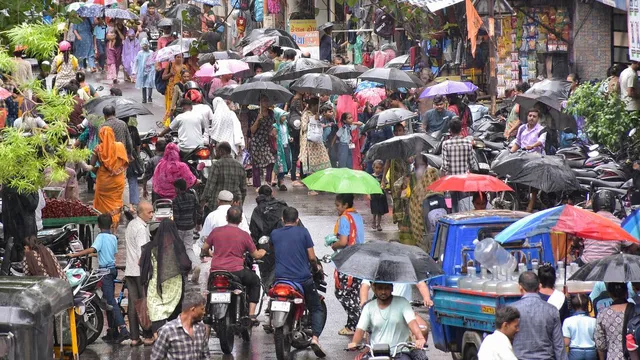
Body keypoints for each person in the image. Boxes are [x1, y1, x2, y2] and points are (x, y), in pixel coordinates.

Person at [270, 206, 327, 357]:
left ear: (282, 220)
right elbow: (312, 257)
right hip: (302, 279)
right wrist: (315, 269)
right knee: (316, 308)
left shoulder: (275, 233)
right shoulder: (303, 232)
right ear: (297, 219)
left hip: (280, 279)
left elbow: (272, 249)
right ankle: (314, 339)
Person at [68, 214, 130, 343]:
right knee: (108, 302)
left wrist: (75, 254)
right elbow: (107, 253)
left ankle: (123, 329)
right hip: (112, 270)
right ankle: (112, 332)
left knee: (111, 302)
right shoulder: (113, 237)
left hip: (105, 273)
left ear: (99, 225)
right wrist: (94, 256)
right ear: (111, 225)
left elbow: (92, 248)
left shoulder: (100, 237)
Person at [201, 206, 266, 321]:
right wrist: (264, 250)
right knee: (255, 281)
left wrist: (210, 254)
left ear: (227, 217)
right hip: (237, 272)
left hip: (216, 271)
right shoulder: (244, 235)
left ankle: (207, 327)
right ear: (241, 220)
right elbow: (256, 255)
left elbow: (204, 247)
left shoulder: (216, 231)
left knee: (210, 291)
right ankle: (251, 315)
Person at [347, 283, 427, 359]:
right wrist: (354, 343)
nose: (383, 292)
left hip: (400, 352)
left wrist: (420, 338)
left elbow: (412, 322)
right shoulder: (368, 307)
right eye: (380, 288)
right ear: (374, 289)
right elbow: (360, 330)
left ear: (391, 288)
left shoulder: (403, 303)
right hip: (375, 352)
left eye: (386, 288)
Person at [140, 219, 192, 337]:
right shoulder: (177, 246)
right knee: (174, 311)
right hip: (174, 285)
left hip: (156, 284)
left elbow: (142, 265)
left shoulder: (150, 247)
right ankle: (173, 339)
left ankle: (159, 341)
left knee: (157, 311)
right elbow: (186, 264)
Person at [511, 271, 566, 360]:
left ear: (520, 287)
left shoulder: (512, 309)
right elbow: (559, 346)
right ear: (539, 287)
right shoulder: (552, 310)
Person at [331, 193, 364, 335]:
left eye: (338, 205)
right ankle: (353, 325)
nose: (336, 208)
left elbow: (343, 242)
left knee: (342, 293)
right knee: (354, 293)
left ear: (345, 205)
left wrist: (334, 245)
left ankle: (358, 325)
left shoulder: (345, 218)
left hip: (348, 260)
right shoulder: (357, 216)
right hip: (360, 258)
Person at [578, 189, 636, 266]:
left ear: (595, 204)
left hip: (587, 263)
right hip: (610, 266)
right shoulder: (619, 223)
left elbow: (577, 241)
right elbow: (632, 247)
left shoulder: (587, 221)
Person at [86, 127, 129, 230]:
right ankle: (114, 229)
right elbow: (125, 163)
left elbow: (91, 166)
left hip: (103, 182)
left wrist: (97, 169)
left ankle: (104, 228)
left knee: (103, 207)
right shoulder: (120, 146)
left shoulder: (98, 149)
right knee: (116, 203)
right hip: (117, 181)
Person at [125, 201, 155, 346]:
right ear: (141, 212)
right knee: (143, 303)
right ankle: (148, 334)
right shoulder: (141, 229)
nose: (152, 215)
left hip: (130, 270)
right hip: (139, 272)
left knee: (133, 304)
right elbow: (141, 254)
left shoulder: (131, 225)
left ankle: (134, 337)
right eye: (149, 212)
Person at [150, 287, 210, 359]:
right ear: (193, 309)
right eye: (202, 309)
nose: (204, 312)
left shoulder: (201, 328)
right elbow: (156, 358)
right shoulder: (167, 331)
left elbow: (206, 356)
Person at [596, 282, 638, 360]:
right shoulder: (636, 310)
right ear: (626, 292)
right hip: (634, 356)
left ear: (609, 294)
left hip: (613, 357)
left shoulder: (603, 314)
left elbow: (600, 344)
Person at [201, 141, 247, 211]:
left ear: (221, 151)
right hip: (234, 205)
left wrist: (202, 203)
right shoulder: (240, 166)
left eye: (216, 151)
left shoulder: (217, 165)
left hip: (217, 205)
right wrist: (240, 203)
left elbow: (209, 186)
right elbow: (243, 189)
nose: (215, 153)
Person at [172, 179, 201, 281]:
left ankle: (181, 270)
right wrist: (196, 223)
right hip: (190, 226)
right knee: (189, 248)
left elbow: (176, 216)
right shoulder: (192, 197)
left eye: (175, 188)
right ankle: (195, 265)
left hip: (180, 228)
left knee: (179, 249)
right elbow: (197, 210)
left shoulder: (176, 200)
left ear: (178, 189)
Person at [300, 97, 331, 193]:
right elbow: (304, 127)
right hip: (309, 143)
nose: (318, 107)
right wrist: (313, 119)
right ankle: (311, 188)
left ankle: (320, 185)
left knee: (323, 162)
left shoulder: (317, 114)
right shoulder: (306, 114)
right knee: (311, 166)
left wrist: (318, 119)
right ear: (313, 105)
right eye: (317, 105)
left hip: (318, 142)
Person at [249, 95, 276, 189]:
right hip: (256, 141)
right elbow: (252, 130)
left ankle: (267, 182)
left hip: (266, 141)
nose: (265, 103)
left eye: (266, 100)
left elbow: (273, 126)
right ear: (259, 102)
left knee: (271, 160)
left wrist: (273, 132)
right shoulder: (254, 113)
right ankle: (257, 185)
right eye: (263, 101)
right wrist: (257, 120)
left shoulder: (271, 113)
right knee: (256, 164)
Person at [563, 294, 597, 360]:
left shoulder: (567, 321)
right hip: (591, 352)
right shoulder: (594, 321)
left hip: (575, 352)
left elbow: (566, 342)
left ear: (572, 306)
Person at [162, 54, 185, 124]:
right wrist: (170, 74)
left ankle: (175, 121)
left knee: (177, 106)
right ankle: (169, 122)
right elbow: (163, 77)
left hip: (179, 89)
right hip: (170, 90)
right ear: (175, 58)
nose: (179, 59)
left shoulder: (184, 67)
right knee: (170, 106)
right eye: (178, 57)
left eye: (181, 57)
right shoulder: (170, 65)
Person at [288, 92, 305, 186]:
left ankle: (299, 176)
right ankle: (295, 177)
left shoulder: (298, 101)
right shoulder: (295, 101)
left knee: (298, 156)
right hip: (296, 134)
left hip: (296, 134)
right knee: (296, 156)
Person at [273, 107, 291, 191]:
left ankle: (280, 179)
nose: (284, 117)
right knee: (281, 165)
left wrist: (289, 137)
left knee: (288, 163)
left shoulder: (285, 124)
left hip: (286, 146)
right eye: (283, 116)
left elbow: (286, 134)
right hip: (280, 148)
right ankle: (281, 180)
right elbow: (274, 136)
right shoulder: (275, 126)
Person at [133, 38, 155, 103]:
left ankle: (150, 97)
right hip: (142, 71)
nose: (145, 47)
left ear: (148, 45)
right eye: (143, 45)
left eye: (146, 45)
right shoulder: (140, 53)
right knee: (143, 84)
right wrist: (134, 70)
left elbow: (154, 61)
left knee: (150, 83)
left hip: (150, 70)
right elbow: (136, 62)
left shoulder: (151, 52)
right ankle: (144, 98)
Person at [370, 159, 389, 231]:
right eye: (376, 168)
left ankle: (378, 224)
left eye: (380, 168)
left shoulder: (382, 177)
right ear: (373, 167)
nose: (378, 169)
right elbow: (369, 186)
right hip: (374, 195)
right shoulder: (371, 176)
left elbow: (386, 184)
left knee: (380, 211)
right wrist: (368, 194)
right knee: (375, 210)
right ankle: (373, 221)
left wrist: (384, 186)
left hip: (381, 196)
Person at [106, 19, 127, 84]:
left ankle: (116, 76)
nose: (120, 21)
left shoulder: (124, 28)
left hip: (119, 47)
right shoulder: (112, 27)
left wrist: (117, 30)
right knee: (112, 62)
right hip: (110, 47)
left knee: (117, 62)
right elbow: (107, 36)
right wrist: (112, 36)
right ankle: (114, 77)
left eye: (121, 20)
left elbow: (123, 38)